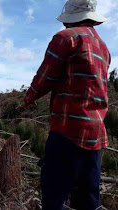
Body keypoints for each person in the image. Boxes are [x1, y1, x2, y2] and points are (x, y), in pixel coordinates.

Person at [17, 0, 111, 209]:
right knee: (87, 198)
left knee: (54, 196)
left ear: (70, 18)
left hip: (68, 130)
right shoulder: (104, 47)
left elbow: (45, 77)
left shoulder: (65, 38)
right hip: (95, 133)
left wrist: (28, 98)